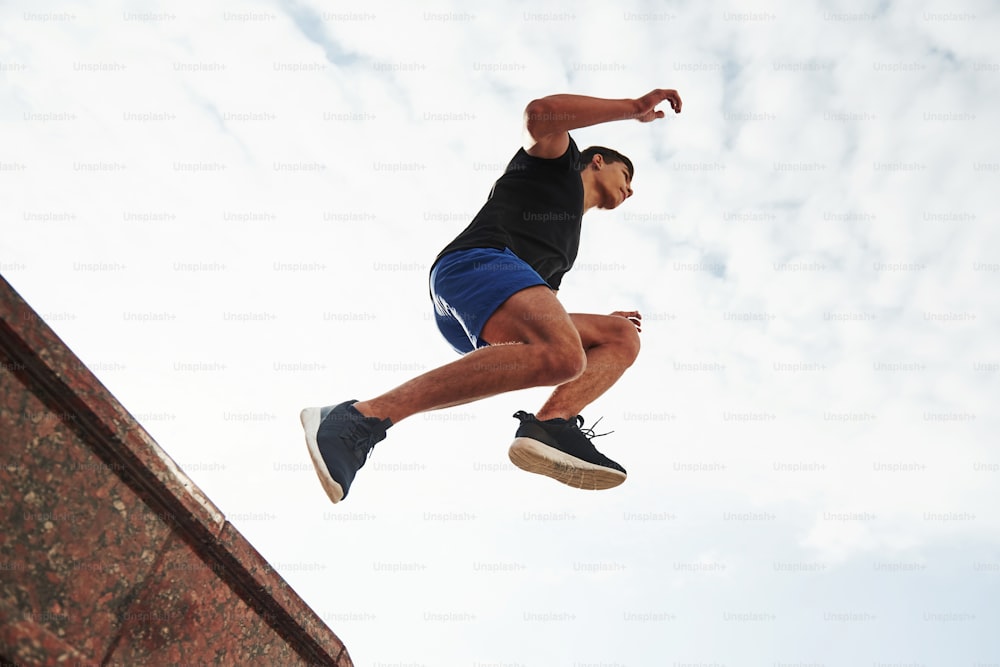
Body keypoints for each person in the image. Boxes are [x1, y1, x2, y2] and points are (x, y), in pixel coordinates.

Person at [301, 89, 683, 503]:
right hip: (476, 264)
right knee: (566, 355)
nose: (630, 190)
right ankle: (360, 418)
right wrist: (632, 109)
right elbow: (541, 113)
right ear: (597, 162)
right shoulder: (557, 164)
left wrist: (586, 329)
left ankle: (553, 422)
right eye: (627, 176)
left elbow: (536, 304)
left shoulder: (567, 236)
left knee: (618, 336)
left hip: (490, 296)